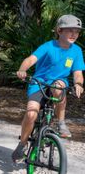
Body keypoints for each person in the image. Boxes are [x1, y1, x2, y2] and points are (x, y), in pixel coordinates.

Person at [11, 14, 85, 163]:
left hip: (57, 84)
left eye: (76, 31)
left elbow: (78, 73)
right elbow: (31, 59)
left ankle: (61, 123)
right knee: (31, 114)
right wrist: (22, 69)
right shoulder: (48, 46)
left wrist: (78, 84)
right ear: (59, 31)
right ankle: (22, 144)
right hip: (39, 83)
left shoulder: (76, 51)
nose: (74, 34)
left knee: (60, 85)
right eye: (69, 30)